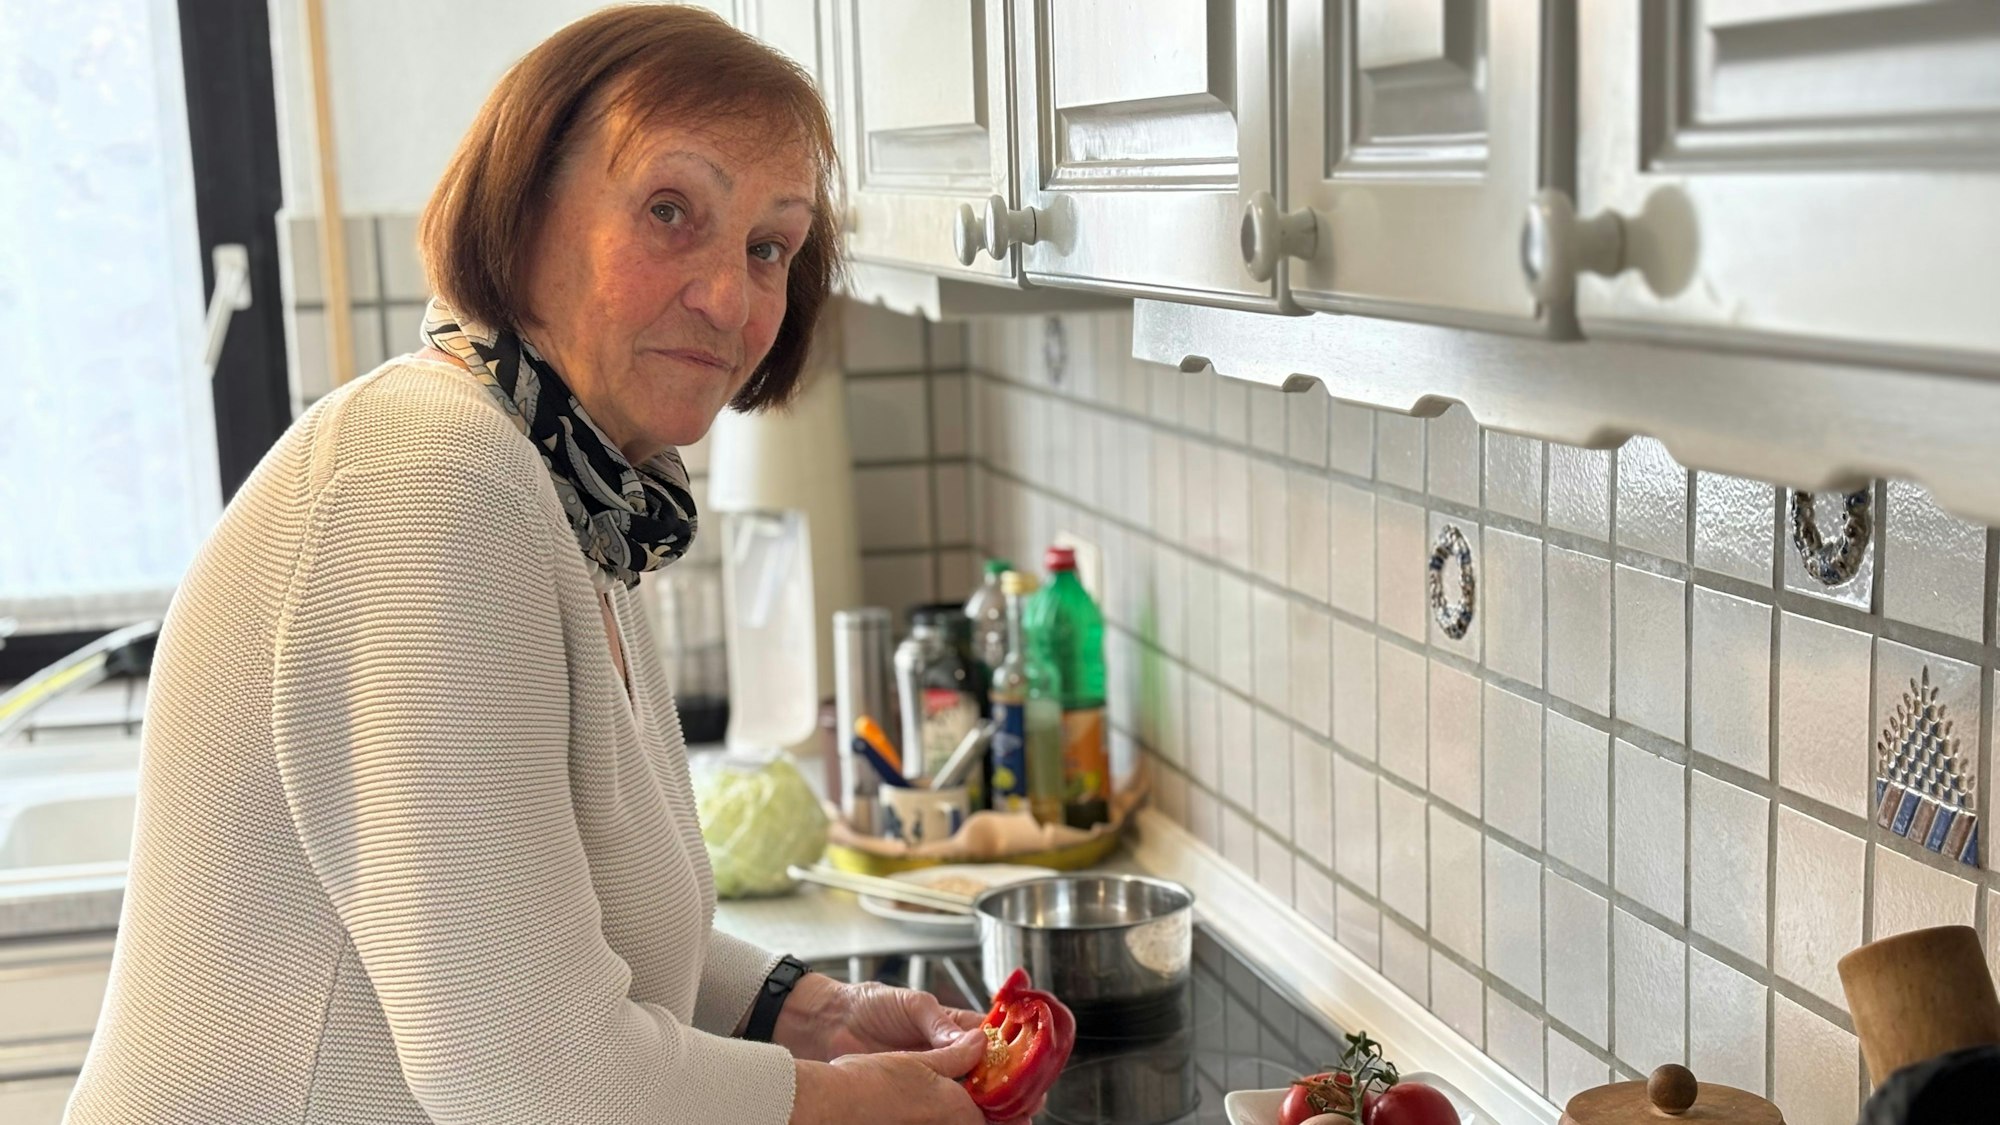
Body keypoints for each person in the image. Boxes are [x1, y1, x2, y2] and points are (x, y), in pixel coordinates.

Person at [63, 8, 1025, 1124]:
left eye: (768, 247)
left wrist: (808, 1013)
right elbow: (530, 1082)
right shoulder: (428, 482)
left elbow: (553, 929)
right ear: (521, 213)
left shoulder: (575, 489)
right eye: (670, 211)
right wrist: (847, 1102)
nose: (729, 298)